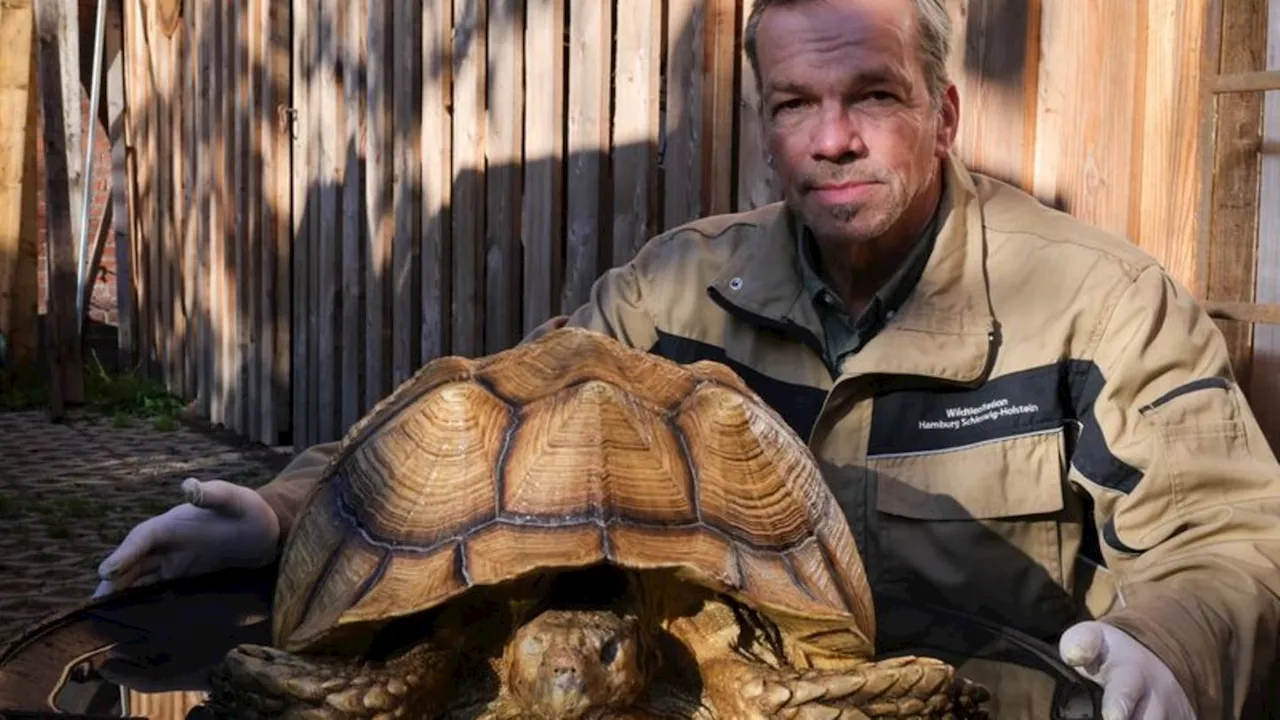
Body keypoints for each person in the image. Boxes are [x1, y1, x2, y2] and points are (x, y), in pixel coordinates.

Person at [94, 0, 1280, 717]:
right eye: (791, 104)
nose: (830, 139)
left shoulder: (1093, 305)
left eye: (872, 95)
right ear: (762, 122)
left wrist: (1164, 643)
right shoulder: (672, 293)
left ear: (945, 112)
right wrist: (281, 508)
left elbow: (1227, 540)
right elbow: (471, 424)